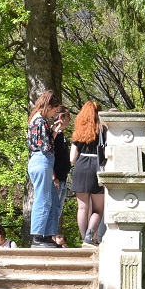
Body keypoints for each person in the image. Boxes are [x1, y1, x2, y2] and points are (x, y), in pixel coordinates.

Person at [27, 90, 64, 248]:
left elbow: (45, 142)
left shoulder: (37, 120)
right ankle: (38, 236)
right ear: (48, 106)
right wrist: (53, 131)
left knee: (53, 200)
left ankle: (48, 234)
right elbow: (46, 146)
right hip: (42, 160)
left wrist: (54, 130)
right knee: (43, 199)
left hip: (42, 161)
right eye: (54, 110)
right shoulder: (40, 121)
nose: (54, 114)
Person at [70, 101, 107, 246]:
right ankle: (89, 236)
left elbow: (72, 158)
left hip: (80, 167)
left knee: (82, 207)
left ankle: (84, 238)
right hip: (95, 168)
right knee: (98, 209)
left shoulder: (78, 134)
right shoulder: (103, 131)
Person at [49, 107, 72, 246]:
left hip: (63, 178)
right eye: (68, 117)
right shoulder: (54, 134)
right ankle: (49, 238)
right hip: (56, 178)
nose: (70, 120)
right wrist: (53, 176)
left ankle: (52, 237)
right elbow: (50, 154)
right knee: (53, 210)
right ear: (62, 117)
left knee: (58, 211)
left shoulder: (62, 134)